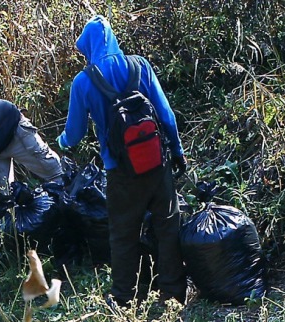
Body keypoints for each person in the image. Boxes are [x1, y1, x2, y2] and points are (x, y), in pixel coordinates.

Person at [56, 15, 188, 306]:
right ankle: (173, 292)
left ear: (88, 47)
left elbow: (74, 133)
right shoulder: (139, 65)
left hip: (121, 171)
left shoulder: (83, 82)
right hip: (157, 162)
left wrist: (62, 142)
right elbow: (166, 115)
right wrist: (177, 152)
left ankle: (124, 297)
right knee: (167, 225)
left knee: (123, 234)